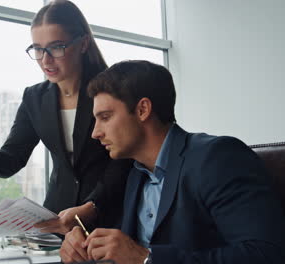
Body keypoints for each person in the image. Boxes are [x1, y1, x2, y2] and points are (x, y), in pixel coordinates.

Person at [0, 0, 130, 235]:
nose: (45, 60)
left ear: (83, 43)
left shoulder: (113, 90)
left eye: (56, 47)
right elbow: (12, 158)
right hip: (58, 220)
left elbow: (125, 159)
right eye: (38, 49)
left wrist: (92, 206)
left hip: (111, 213)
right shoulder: (35, 98)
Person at [60, 60, 285, 264]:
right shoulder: (135, 173)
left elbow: (266, 254)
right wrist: (85, 248)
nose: (95, 133)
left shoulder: (218, 157)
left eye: (105, 117)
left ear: (142, 110)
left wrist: (146, 259)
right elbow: (124, 249)